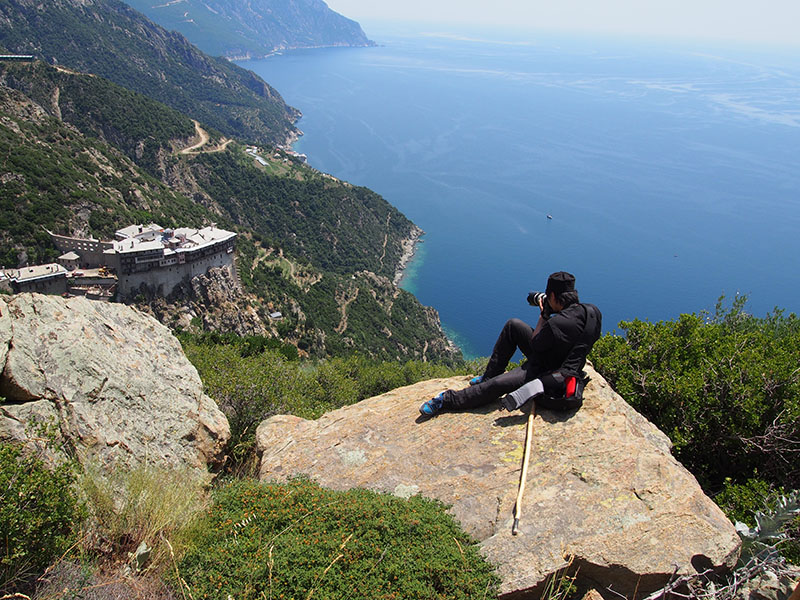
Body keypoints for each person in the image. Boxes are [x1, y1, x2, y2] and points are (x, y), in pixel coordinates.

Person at [419, 271, 602, 417]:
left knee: (496, 386)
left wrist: (544, 315)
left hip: (546, 370)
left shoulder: (556, 323)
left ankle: (446, 400)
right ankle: (489, 375)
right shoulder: (592, 312)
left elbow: (536, 343)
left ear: (552, 296)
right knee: (513, 325)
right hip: (560, 356)